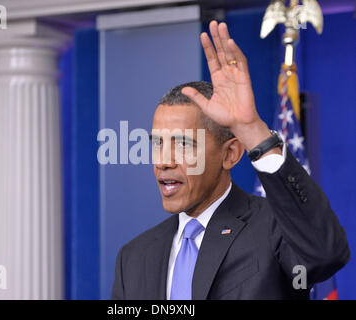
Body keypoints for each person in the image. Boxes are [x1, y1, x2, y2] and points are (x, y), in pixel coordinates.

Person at [111, 21, 350, 300]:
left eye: (184, 144)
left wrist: (251, 129)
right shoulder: (134, 257)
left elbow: (327, 253)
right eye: (157, 143)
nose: (164, 161)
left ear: (230, 154)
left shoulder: (274, 231)